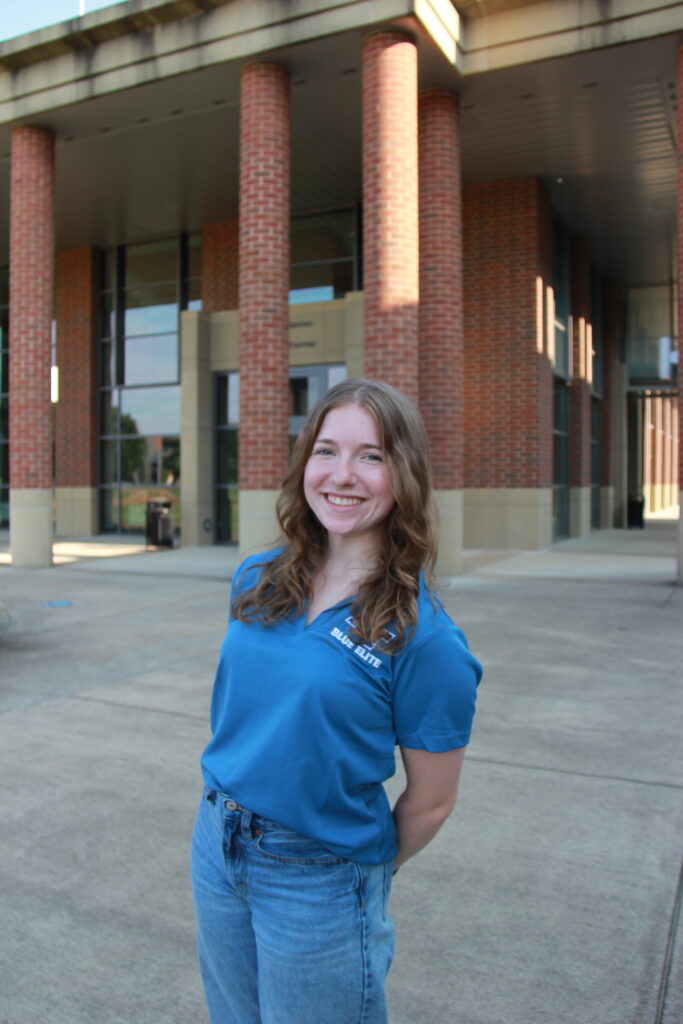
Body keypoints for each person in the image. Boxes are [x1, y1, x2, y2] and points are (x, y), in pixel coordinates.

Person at [190, 377, 482, 1024]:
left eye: (371, 456)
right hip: (216, 840)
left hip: (318, 876)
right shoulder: (257, 578)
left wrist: (351, 874)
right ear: (304, 464)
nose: (341, 475)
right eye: (326, 451)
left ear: (403, 473)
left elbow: (431, 802)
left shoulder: (425, 639)